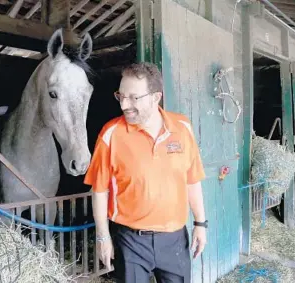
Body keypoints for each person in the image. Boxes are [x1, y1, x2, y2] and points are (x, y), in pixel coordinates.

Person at [84, 62, 207, 283]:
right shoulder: (111, 134)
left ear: (155, 97)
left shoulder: (182, 128)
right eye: (120, 96)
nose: (124, 105)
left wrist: (200, 223)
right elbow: (99, 190)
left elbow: (192, 179)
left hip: (174, 240)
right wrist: (103, 236)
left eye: (133, 97)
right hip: (130, 241)